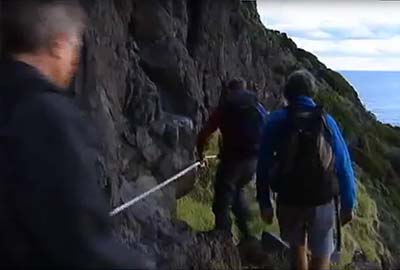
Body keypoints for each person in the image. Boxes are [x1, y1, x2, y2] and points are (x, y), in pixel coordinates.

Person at [0, 1, 153, 268]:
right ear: (58, 46)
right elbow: (84, 245)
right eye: (75, 47)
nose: (75, 61)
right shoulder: (49, 118)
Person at [257, 70, 357, 270]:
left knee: (297, 248)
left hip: (288, 199)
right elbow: (344, 165)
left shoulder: (276, 121)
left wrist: (265, 203)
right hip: (322, 200)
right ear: (312, 92)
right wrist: (348, 203)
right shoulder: (326, 121)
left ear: (288, 92)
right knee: (322, 255)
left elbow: (263, 164)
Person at [197, 78, 268, 238]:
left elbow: (205, 133)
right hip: (253, 160)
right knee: (237, 192)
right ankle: (248, 233)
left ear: (229, 90)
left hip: (232, 160)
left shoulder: (227, 106)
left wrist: (201, 154)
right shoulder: (256, 105)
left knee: (222, 195)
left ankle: (223, 234)